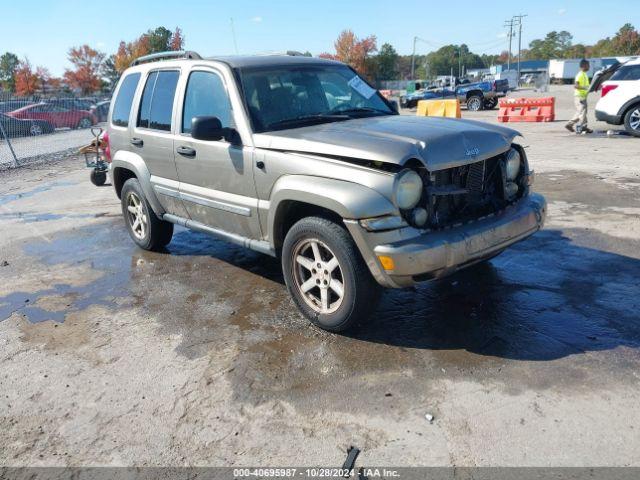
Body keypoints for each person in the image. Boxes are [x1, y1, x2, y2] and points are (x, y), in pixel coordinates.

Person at [565, 59, 593, 134]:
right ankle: (583, 127)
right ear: (583, 66)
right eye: (588, 65)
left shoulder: (584, 74)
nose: (589, 67)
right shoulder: (580, 75)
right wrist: (586, 88)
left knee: (581, 112)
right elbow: (576, 85)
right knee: (582, 112)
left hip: (583, 96)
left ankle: (570, 124)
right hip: (579, 97)